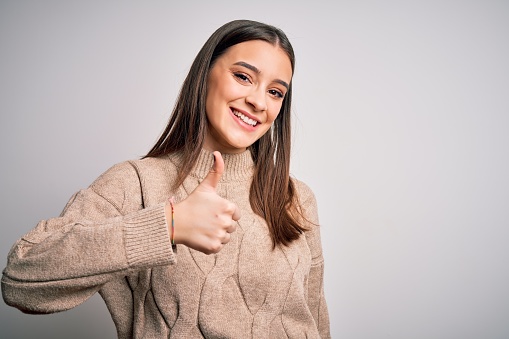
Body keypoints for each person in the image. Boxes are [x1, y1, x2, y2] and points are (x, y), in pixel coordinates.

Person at [2, 20, 330, 338]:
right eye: (243, 76)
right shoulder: (134, 183)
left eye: (275, 92)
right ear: (204, 76)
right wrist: (168, 225)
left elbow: (315, 319)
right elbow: (20, 280)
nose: (259, 102)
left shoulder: (296, 197)